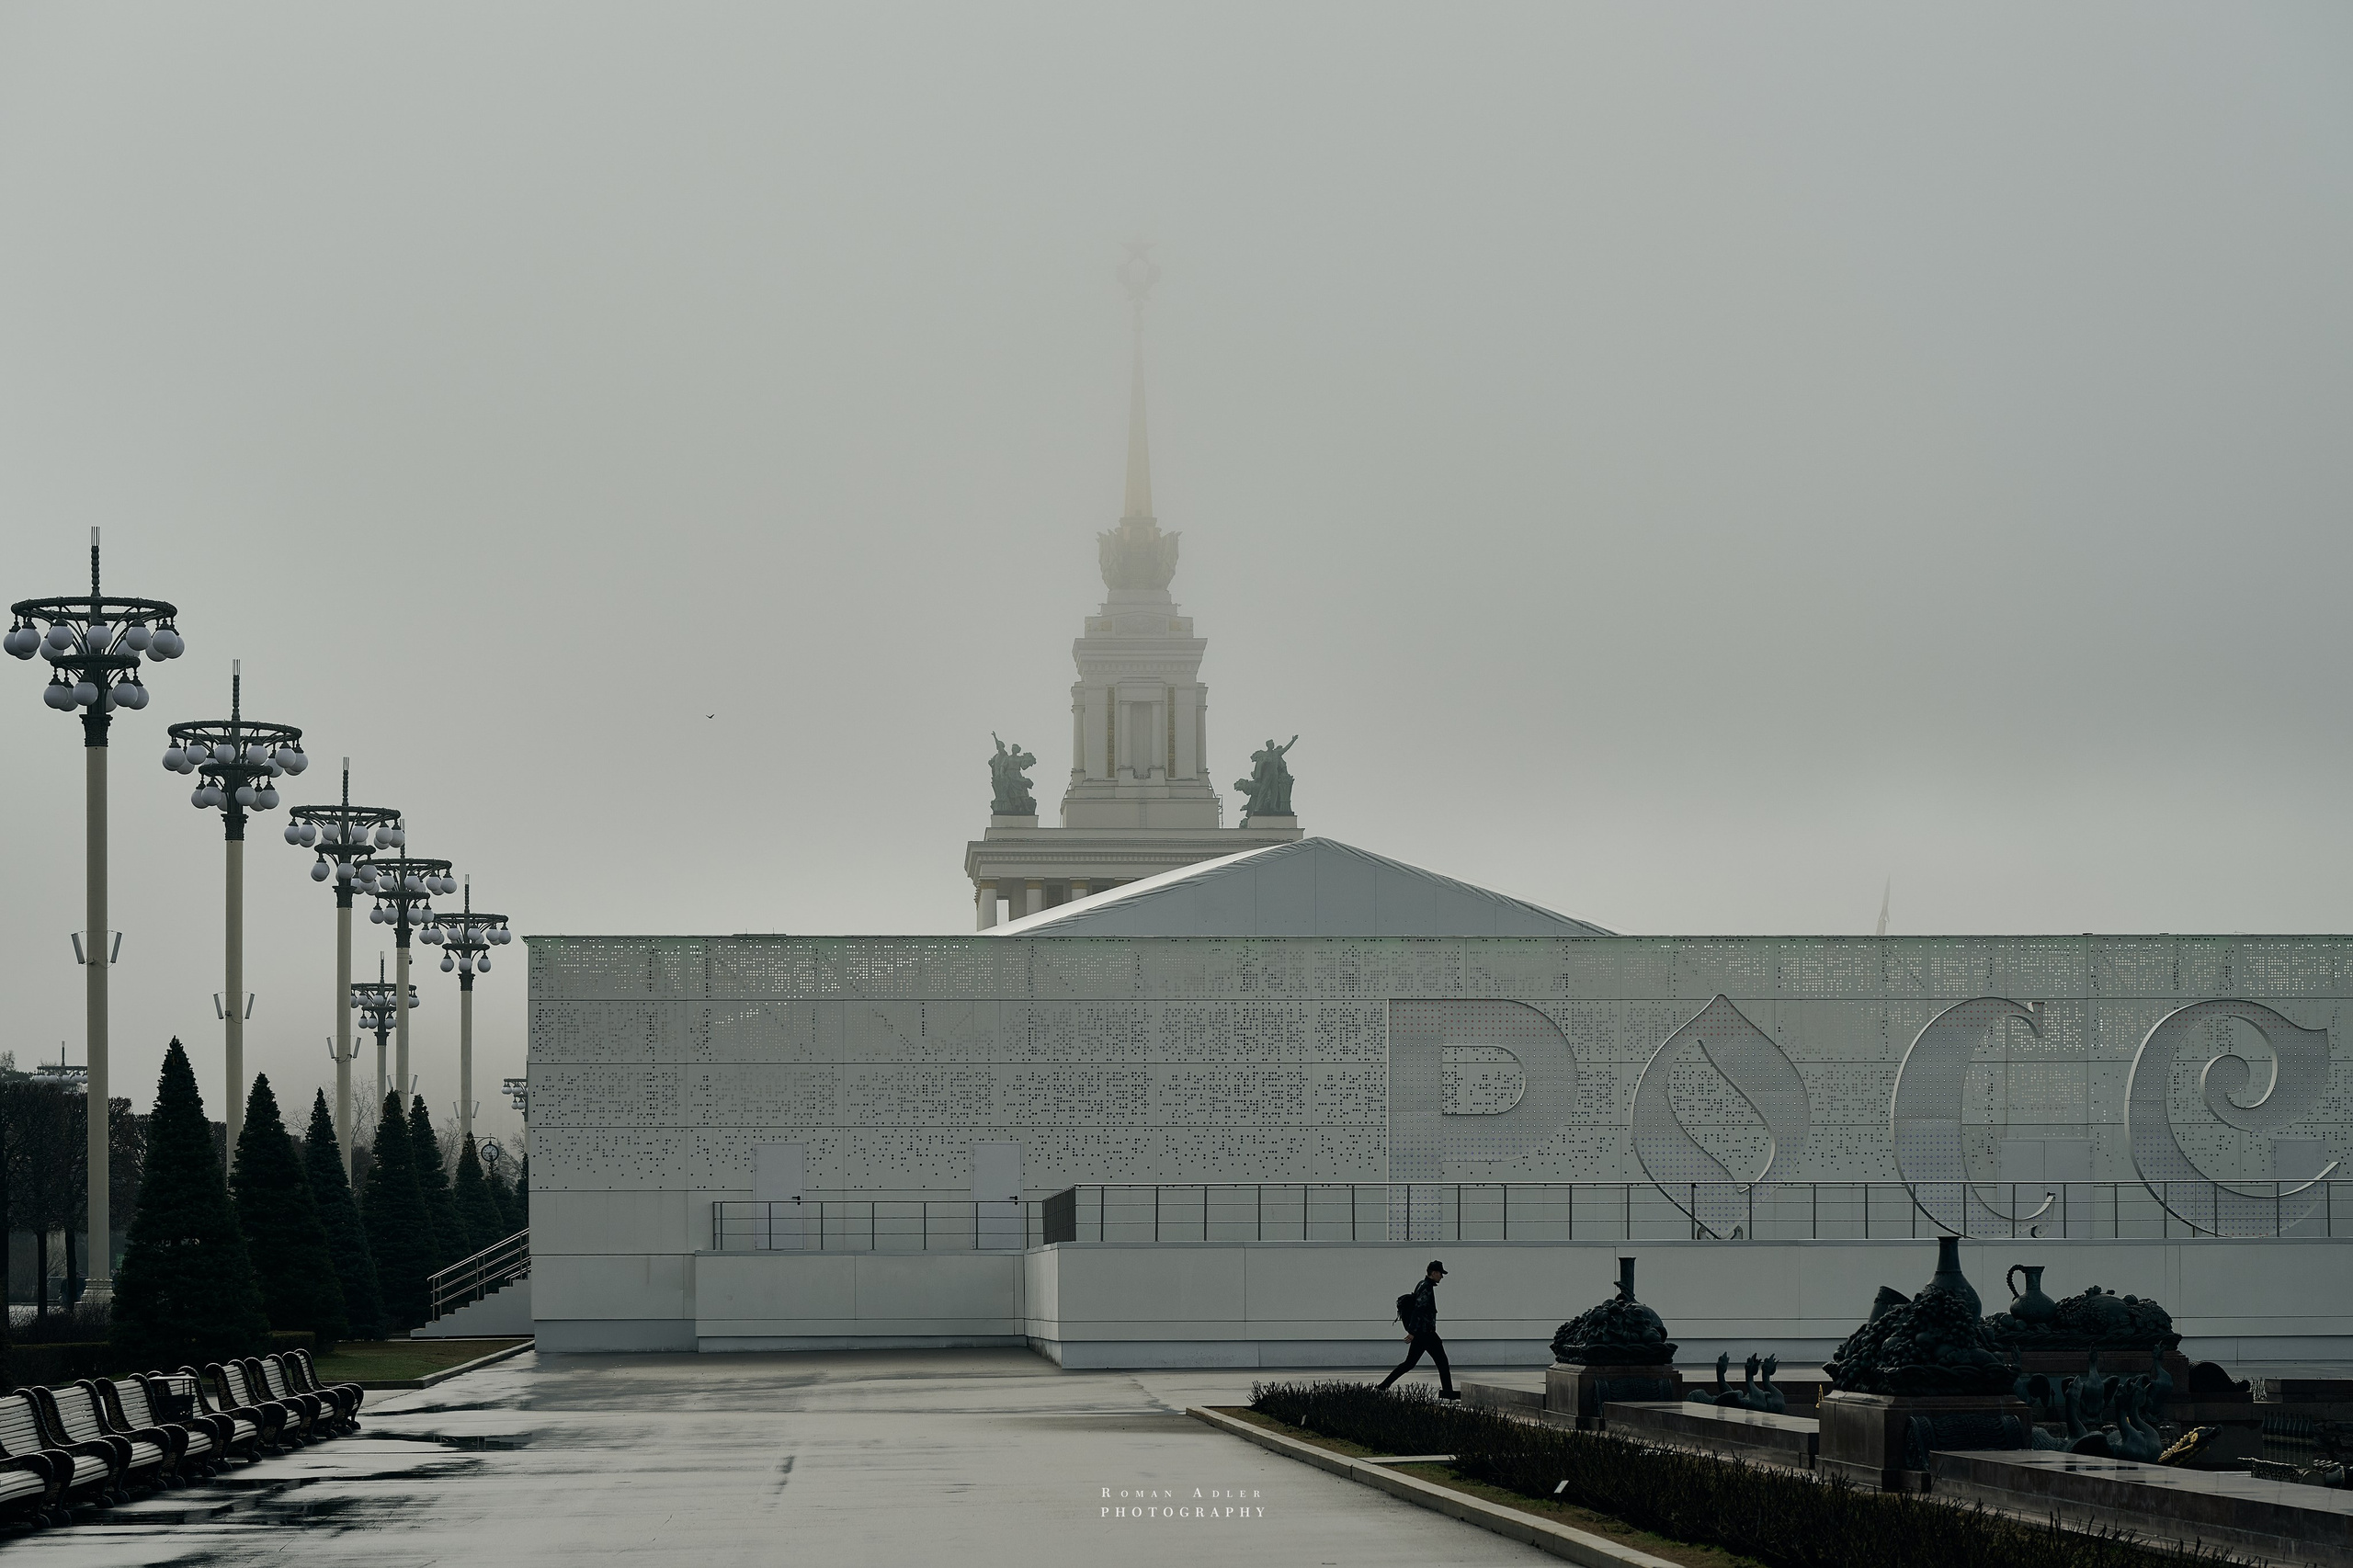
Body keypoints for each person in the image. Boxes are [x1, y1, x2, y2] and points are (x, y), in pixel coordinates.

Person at [1376, 1260, 1459, 1399]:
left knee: (1409, 1363)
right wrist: (1412, 1332)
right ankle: (1448, 1393)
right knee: (1442, 1363)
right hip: (1426, 1333)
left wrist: (1414, 1332)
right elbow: (1418, 1310)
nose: (1442, 1276)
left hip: (1422, 1333)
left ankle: (1382, 1386)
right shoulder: (1426, 1287)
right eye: (1440, 1273)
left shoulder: (1421, 1284)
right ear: (1434, 1273)